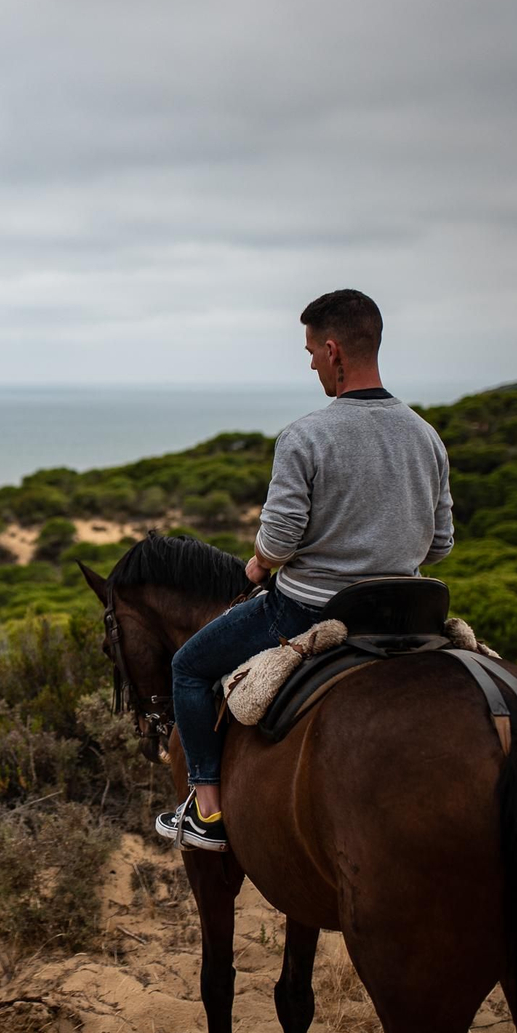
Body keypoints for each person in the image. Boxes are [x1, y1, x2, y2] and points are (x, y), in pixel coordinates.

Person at [154, 289, 454, 851]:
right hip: (408, 610)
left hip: (310, 609)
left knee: (189, 667)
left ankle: (206, 809)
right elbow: (439, 546)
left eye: (312, 350)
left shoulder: (305, 436)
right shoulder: (426, 436)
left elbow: (282, 539)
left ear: (334, 350)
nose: (311, 361)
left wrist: (260, 561)